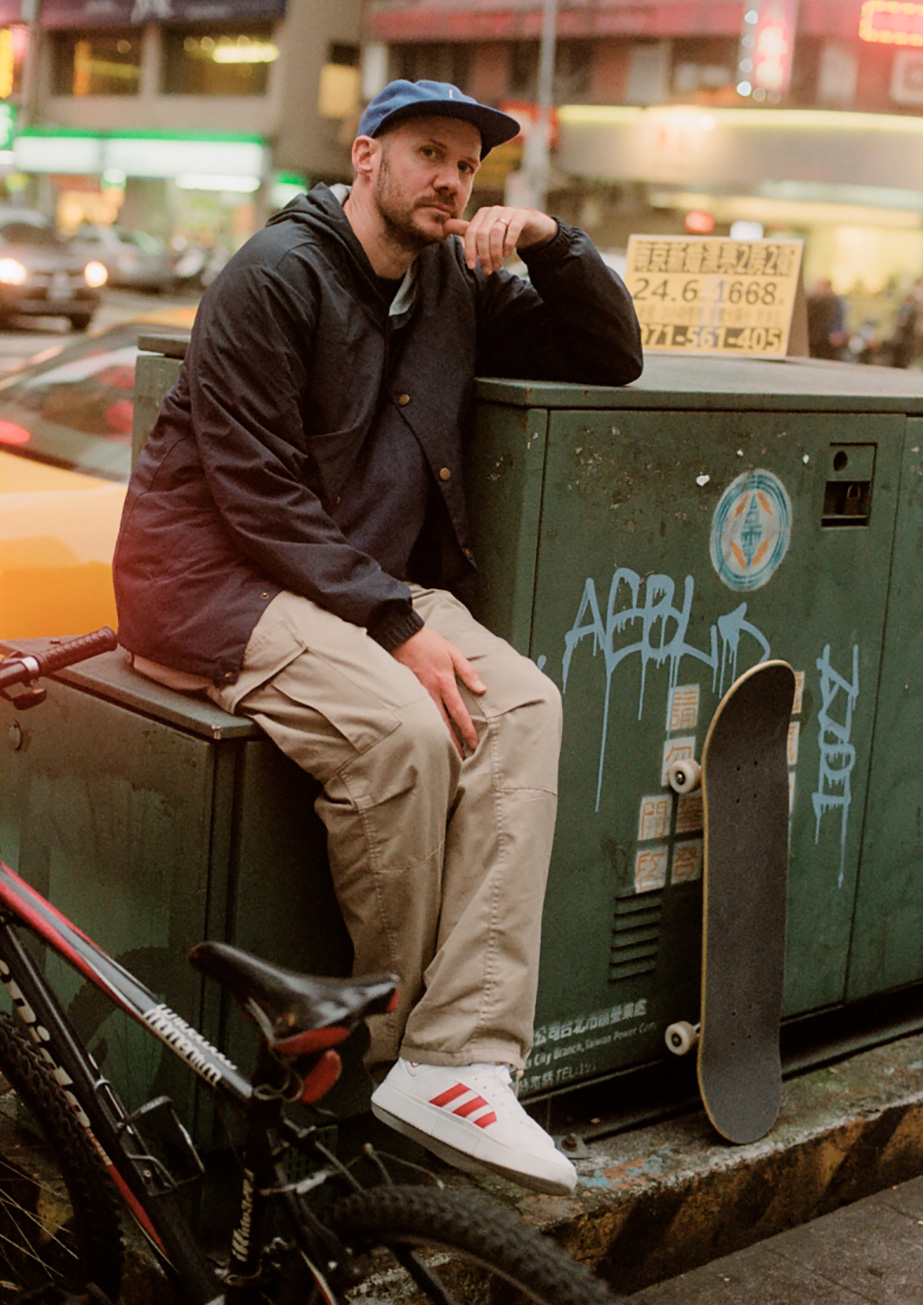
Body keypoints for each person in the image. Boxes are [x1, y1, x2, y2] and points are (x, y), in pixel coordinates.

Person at [113, 79, 643, 1196]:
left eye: (469, 165)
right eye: (427, 153)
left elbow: (609, 357)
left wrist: (552, 243)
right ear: (366, 157)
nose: (451, 178)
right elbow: (253, 493)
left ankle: (462, 1058)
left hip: (355, 581)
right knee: (403, 728)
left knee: (526, 708)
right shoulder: (274, 275)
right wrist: (396, 624)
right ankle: (384, 1051)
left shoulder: (451, 279)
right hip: (214, 582)